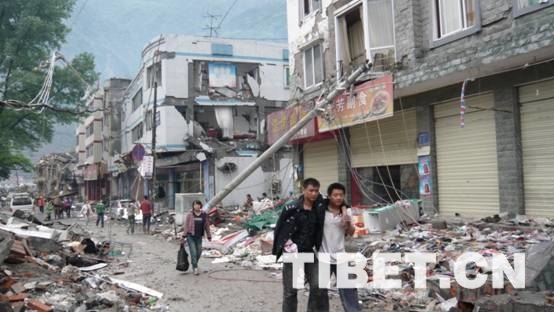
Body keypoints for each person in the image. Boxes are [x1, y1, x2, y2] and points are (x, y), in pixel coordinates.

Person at [272, 178, 326, 312]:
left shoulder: (319, 207)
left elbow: (339, 202)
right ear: (304, 190)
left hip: (309, 251)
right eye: (311, 190)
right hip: (293, 253)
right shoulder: (292, 208)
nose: (314, 193)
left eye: (316, 191)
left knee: (318, 285)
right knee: (291, 292)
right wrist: (284, 246)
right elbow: (279, 229)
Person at [315, 182, 360, 312]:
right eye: (335, 195)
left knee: (349, 291)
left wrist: (347, 222)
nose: (338, 197)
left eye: (341, 195)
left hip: (342, 256)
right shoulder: (321, 210)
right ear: (329, 196)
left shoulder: (346, 211)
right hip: (323, 257)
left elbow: (351, 233)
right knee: (321, 292)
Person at [182, 200, 212, 275]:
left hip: (199, 237)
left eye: (198, 204)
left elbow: (207, 226)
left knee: (199, 252)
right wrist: (183, 235)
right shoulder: (190, 214)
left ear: (200, 205)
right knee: (193, 252)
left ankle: (194, 263)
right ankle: (195, 267)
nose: (197, 206)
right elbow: (186, 225)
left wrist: (209, 235)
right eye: (195, 205)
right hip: (190, 236)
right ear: (193, 206)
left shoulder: (204, 214)